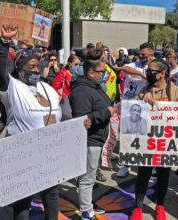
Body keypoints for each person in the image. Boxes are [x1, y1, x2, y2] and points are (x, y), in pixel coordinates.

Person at [0, 24, 63, 220]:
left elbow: (58, 116)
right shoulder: (12, 88)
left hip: (49, 153)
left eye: (38, 65)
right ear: (20, 69)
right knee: (23, 198)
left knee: (51, 193)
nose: (36, 69)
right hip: (22, 155)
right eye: (31, 66)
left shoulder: (47, 88)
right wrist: (4, 42)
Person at [130, 59, 178, 220]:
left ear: (163, 73)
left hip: (166, 142)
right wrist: (143, 102)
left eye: (152, 71)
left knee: (163, 175)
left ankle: (160, 206)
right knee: (143, 174)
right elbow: (132, 113)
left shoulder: (175, 92)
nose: (149, 73)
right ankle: (138, 208)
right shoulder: (144, 91)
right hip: (146, 141)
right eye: (148, 70)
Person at [69, 56, 117, 220]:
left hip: (97, 138)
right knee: (87, 178)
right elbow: (82, 120)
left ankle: (87, 203)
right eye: (102, 72)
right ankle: (86, 211)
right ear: (90, 72)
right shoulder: (82, 91)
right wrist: (107, 113)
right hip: (89, 139)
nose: (104, 75)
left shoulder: (94, 86)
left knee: (89, 176)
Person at [115, 42, 154, 178]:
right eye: (140, 54)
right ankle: (126, 164)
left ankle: (148, 164)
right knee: (127, 137)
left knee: (145, 136)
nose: (141, 57)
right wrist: (141, 75)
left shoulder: (154, 68)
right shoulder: (134, 65)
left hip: (144, 106)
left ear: (151, 55)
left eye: (144, 55)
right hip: (128, 105)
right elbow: (124, 68)